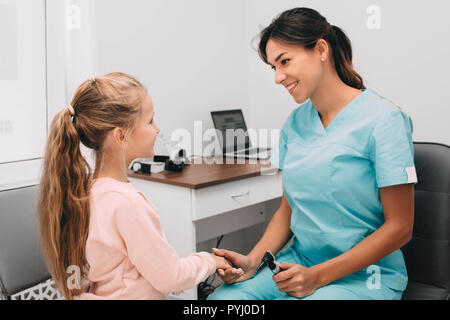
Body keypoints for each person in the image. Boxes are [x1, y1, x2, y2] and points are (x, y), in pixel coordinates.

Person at [208, 7, 417, 300]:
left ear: (320, 49)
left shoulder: (385, 120)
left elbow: (400, 228)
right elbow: (288, 210)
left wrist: (317, 277)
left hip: (365, 274)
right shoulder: (294, 123)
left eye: (285, 61)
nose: (278, 77)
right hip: (298, 263)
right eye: (273, 67)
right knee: (223, 301)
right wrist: (253, 262)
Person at [38, 72, 231, 299]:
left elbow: (98, 272)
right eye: (150, 121)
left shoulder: (85, 194)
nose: (157, 129)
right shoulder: (126, 203)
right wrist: (210, 260)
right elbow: (171, 277)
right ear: (121, 136)